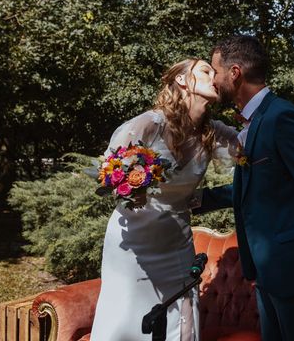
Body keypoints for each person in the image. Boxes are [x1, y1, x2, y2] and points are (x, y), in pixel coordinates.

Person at [196, 35, 294, 341]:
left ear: (234, 73)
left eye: (215, 71)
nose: (214, 80)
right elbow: (251, 187)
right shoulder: (255, 122)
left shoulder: (282, 117)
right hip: (266, 273)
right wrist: (191, 200)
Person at [90, 58, 238, 341]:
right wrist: (131, 185)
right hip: (131, 243)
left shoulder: (213, 132)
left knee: (177, 315)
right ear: (182, 80)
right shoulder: (149, 124)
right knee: (124, 315)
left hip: (175, 243)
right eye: (205, 71)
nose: (214, 76)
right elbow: (109, 173)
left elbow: (255, 149)